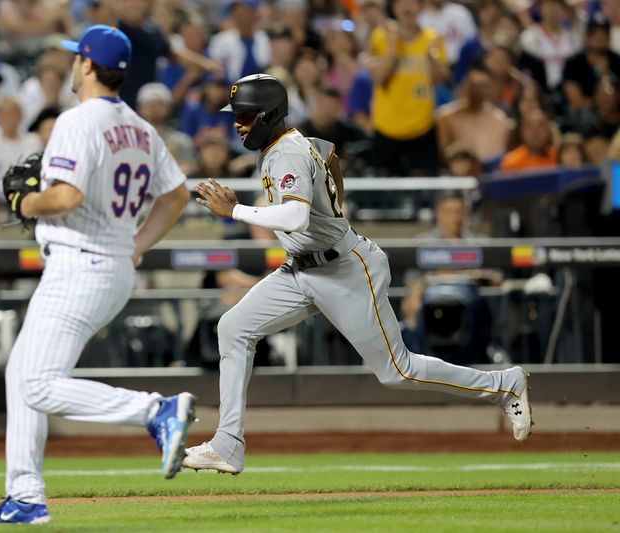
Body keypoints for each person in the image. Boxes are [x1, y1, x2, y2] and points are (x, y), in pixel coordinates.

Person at [188, 74, 531, 475]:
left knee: (397, 370)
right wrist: (334, 212)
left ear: (269, 115)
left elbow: (296, 216)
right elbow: (331, 155)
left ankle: (504, 384)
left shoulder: (286, 153)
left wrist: (235, 211)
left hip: (345, 269)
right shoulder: (294, 143)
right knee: (233, 327)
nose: (237, 123)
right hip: (302, 268)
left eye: (244, 115)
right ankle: (228, 444)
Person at [0, 25, 195, 525]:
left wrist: (24, 200)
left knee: (38, 384)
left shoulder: (76, 120)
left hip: (79, 263)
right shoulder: (140, 126)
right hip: (110, 263)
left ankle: (155, 410)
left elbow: (65, 198)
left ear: (89, 66)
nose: (73, 64)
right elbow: (178, 194)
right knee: (21, 375)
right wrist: (136, 245)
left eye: (78, 58)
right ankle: (25, 497)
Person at [367, 0, 449, 176]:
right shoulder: (381, 36)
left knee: (423, 190)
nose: (406, 7)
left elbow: (440, 80)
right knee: (382, 192)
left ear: (420, 7)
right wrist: (391, 48)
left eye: (412, 2)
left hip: (422, 125)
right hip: (386, 124)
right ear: (394, 7)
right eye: (401, 3)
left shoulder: (433, 39)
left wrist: (431, 60)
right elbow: (378, 78)